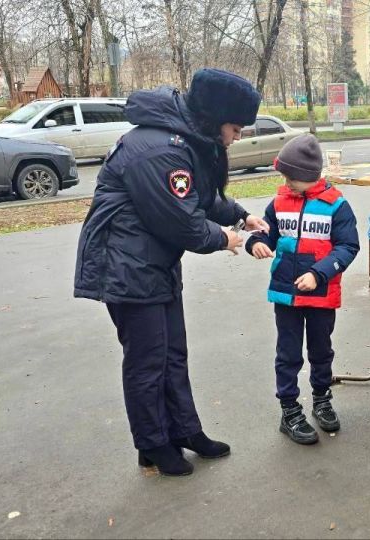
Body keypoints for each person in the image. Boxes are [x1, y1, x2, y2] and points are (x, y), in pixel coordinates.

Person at [74, 69, 268, 476]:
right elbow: (182, 223)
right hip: (127, 268)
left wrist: (240, 215)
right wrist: (225, 238)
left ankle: (184, 431)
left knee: (172, 355)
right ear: (215, 118)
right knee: (147, 363)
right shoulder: (159, 150)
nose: (236, 138)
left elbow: (201, 196)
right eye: (235, 129)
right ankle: (152, 444)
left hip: (152, 263)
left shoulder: (181, 140)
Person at [246, 134, 360, 445]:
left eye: (289, 177)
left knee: (321, 351)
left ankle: (322, 399)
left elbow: (348, 247)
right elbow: (265, 232)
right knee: (288, 353)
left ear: (308, 175)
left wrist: (318, 274)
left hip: (321, 295)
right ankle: (289, 410)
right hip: (286, 294)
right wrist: (256, 243)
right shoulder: (279, 202)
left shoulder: (337, 205)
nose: (285, 182)